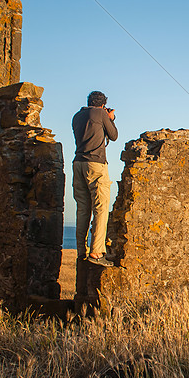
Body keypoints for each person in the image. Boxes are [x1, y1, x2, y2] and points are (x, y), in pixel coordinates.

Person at [72, 90, 118, 266]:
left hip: (78, 163)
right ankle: (97, 252)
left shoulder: (77, 116)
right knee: (101, 206)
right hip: (96, 164)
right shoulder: (100, 113)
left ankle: (81, 251)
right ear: (103, 104)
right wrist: (111, 118)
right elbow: (113, 136)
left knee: (82, 209)